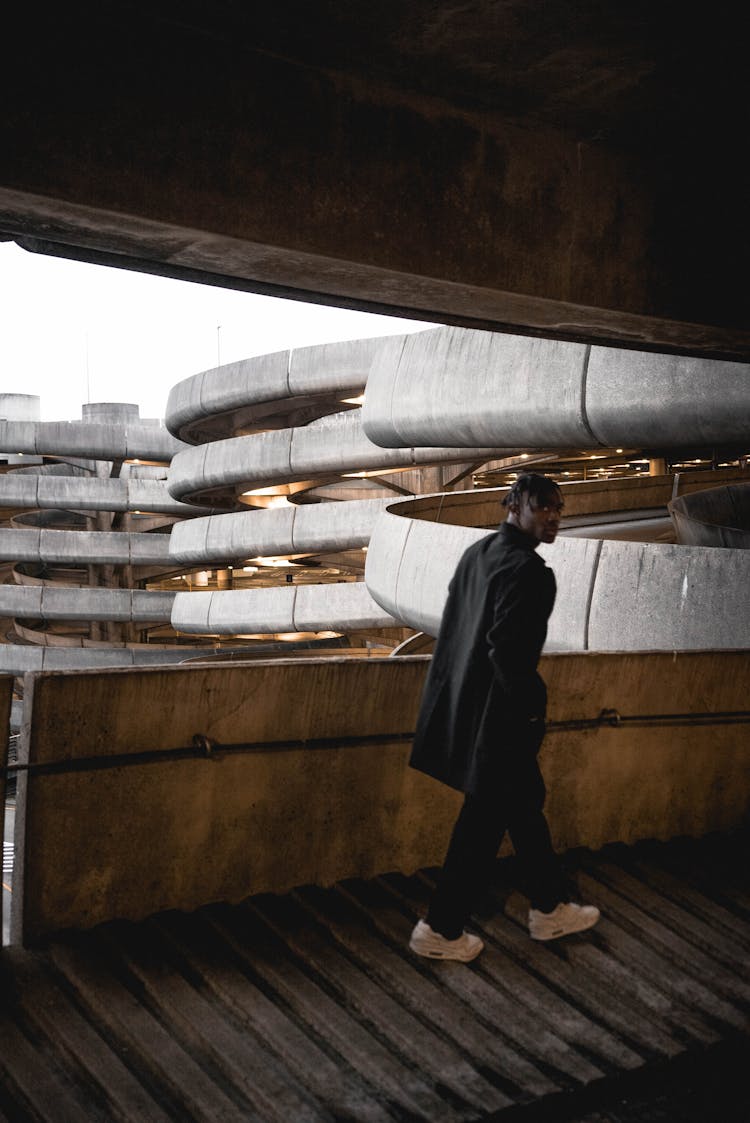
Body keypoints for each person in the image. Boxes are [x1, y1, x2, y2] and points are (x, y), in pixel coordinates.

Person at [408, 472, 600, 961]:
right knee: (484, 822)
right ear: (514, 506)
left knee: (523, 805)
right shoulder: (531, 572)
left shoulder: (478, 555)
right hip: (501, 719)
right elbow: (509, 654)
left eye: (559, 507)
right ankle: (441, 929)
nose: (554, 516)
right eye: (542, 507)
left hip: (466, 711)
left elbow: (456, 632)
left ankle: (549, 907)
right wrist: (533, 712)